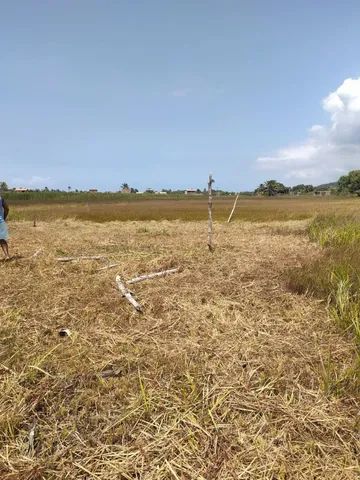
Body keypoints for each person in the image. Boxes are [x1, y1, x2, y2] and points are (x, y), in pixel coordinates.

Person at [0, 195, 10, 259]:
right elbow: (7, 208)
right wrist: (3, 217)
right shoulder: (1, 199)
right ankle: (7, 256)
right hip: (1, 221)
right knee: (2, 239)